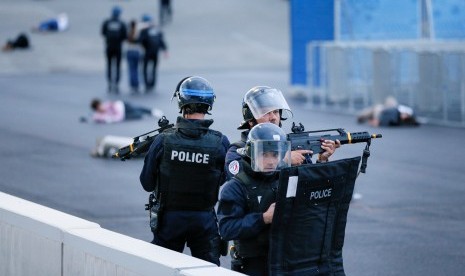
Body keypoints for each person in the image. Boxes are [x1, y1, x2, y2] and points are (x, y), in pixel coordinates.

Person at [139, 76, 230, 266]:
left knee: (162, 269)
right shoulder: (221, 142)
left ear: (181, 102)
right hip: (204, 220)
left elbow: (147, 183)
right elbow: (227, 180)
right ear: (209, 104)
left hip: (169, 220)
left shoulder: (163, 140)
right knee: (208, 271)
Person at [217, 122, 291, 276]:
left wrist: (321, 161)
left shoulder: (285, 180)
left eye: (275, 154)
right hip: (251, 262)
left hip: (283, 259)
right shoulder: (236, 187)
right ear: (252, 153)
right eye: (264, 154)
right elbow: (226, 229)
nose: (271, 161)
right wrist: (263, 218)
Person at [225, 86, 339, 180]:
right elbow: (237, 178)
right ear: (250, 120)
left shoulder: (292, 145)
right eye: (266, 112)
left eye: (275, 111)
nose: (273, 117)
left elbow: (310, 184)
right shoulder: (237, 150)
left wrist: (322, 160)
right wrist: (285, 161)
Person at [138, 14, 168, 93]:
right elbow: (161, 41)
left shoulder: (144, 30)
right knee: (154, 69)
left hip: (146, 52)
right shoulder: (157, 29)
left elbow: (139, 41)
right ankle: (152, 84)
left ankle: (146, 84)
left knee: (145, 69)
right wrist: (165, 50)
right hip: (155, 52)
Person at [101, 6, 127, 94]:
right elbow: (125, 36)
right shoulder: (122, 23)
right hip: (118, 47)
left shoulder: (107, 22)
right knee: (117, 66)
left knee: (109, 65)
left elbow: (103, 33)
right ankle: (116, 83)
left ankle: (109, 82)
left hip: (109, 47)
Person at [89, 98, 163, 123]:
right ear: (96, 109)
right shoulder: (98, 116)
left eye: (100, 105)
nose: (101, 108)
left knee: (138, 108)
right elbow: (98, 118)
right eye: (99, 108)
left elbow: (113, 106)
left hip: (123, 106)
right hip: (123, 115)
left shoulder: (106, 104)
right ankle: (148, 114)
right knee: (138, 115)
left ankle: (152, 111)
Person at [126, 19, 143, 93]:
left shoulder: (129, 32)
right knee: (136, 68)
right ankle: (136, 83)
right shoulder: (138, 32)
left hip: (129, 51)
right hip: (137, 52)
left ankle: (132, 83)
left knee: (131, 69)